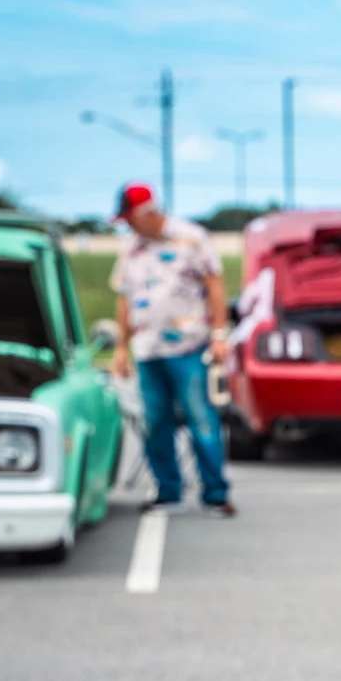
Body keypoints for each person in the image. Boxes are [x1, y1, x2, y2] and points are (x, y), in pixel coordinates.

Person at [109, 182, 234, 516]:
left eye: (131, 218)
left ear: (148, 212)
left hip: (189, 345)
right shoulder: (131, 249)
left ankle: (215, 492)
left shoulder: (192, 238)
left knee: (200, 418)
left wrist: (220, 334)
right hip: (148, 349)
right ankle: (167, 490)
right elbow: (124, 299)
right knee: (155, 421)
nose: (129, 225)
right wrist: (122, 347)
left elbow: (215, 287)